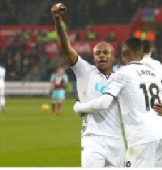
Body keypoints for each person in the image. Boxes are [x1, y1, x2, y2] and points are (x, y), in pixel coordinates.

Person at [74, 38, 162, 167]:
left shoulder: (121, 74)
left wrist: (79, 107)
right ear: (142, 55)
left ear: (123, 53)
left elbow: (103, 103)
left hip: (142, 137)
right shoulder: (153, 73)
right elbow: (159, 105)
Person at [52, 3, 125, 167]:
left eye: (106, 53)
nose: (101, 56)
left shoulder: (121, 79)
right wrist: (58, 21)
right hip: (93, 139)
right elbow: (66, 47)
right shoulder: (85, 71)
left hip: (117, 140)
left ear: (113, 57)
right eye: (97, 53)